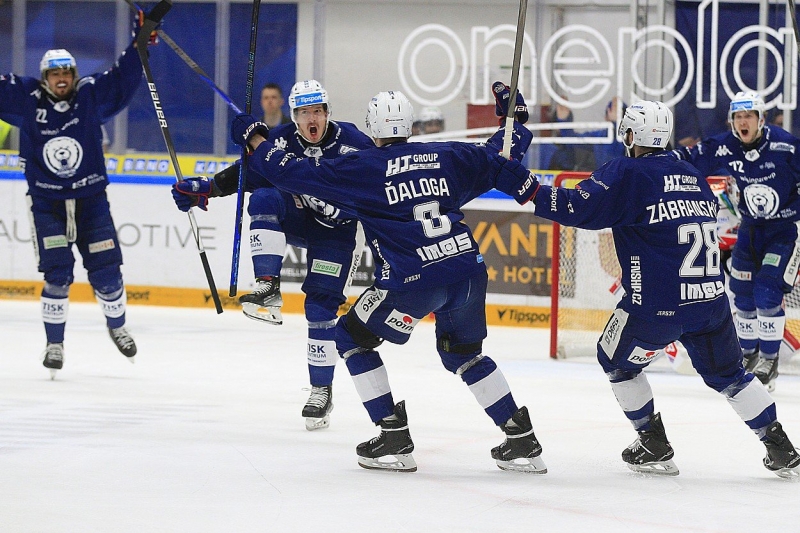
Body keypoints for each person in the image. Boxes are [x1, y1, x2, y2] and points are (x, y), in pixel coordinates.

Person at [219, 83, 547, 474]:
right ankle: (520, 438)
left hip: (413, 281)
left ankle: (393, 435)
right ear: (409, 124)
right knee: (463, 354)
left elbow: (288, 173)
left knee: (350, 338)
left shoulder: (363, 167)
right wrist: (516, 121)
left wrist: (255, 136)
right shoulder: (448, 155)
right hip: (467, 272)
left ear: (372, 129)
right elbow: (499, 157)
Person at [526, 100, 800, 478]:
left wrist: (521, 184)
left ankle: (652, 441)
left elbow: (576, 207)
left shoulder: (628, 171)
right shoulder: (692, 175)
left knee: (614, 361)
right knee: (732, 376)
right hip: (710, 305)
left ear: (632, 135)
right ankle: (780, 445)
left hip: (658, 307)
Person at [173, 79, 374, 431]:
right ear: (294, 116)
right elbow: (248, 174)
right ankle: (268, 286)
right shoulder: (281, 139)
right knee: (264, 197)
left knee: (320, 307)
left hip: (336, 234)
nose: (311, 119)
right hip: (297, 216)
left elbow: (384, 185)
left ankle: (320, 391)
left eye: (317, 111)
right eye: (303, 112)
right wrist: (205, 189)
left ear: (327, 113)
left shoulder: (354, 143)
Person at [0, 37, 146, 378]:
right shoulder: (26, 98)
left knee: (108, 274)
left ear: (75, 74)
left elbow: (122, 77)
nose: (61, 77)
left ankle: (117, 326)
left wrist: (141, 43)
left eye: (66, 71)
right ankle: (54, 345)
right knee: (58, 274)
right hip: (46, 203)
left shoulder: (89, 95)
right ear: (44, 78)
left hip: (90, 201)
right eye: (54, 73)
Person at [671, 91, 800, 392]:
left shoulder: (786, 147)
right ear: (732, 121)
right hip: (751, 229)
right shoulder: (726, 146)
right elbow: (692, 158)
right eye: (738, 117)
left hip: (784, 231)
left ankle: (770, 360)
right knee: (741, 295)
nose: (743, 122)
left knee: (767, 294)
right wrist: (661, 161)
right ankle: (748, 355)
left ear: (760, 120)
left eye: (749, 117)